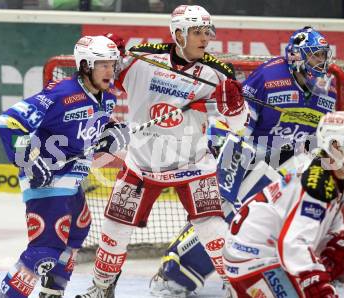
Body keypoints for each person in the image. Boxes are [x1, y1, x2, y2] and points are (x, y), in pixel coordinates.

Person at [149, 26, 338, 297]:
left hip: (288, 167)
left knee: (285, 217)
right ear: (296, 56)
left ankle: (265, 273)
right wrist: (230, 165)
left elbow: (321, 139)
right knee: (228, 213)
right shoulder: (269, 76)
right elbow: (235, 125)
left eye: (323, 55)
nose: (321, 62)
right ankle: (176, 272)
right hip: (251, 157)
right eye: (315, 56)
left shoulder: (327, 90)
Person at [76, 4, 248, 298]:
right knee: (114, 231)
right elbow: (102, 80)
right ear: (178, 33)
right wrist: (112, 57)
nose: (204, 38)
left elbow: (238, 124)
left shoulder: (218, 72)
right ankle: (101, 288)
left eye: (207, 31)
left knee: (214, 233)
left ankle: (238, 288)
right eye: (196, 32)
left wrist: (235, 106)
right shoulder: (142, 59)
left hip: (193, 165)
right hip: (141, 165)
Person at [0, 35, 130, 298]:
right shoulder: (62, 94)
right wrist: (30, 160)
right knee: (44, 252)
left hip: (71, 179)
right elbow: (7, 122)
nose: (109, 70)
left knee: (79, 229)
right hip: (47, 181)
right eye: (102, 64)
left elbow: (95, 130)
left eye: (112, 64)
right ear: (85, 66)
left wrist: (112, 133)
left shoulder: (107, 98)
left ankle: (51, 292)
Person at [222, 111, 344, 297]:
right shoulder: (317, 184)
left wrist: (335, 240)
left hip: (257, 252)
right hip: (252, 258)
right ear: (335, 145)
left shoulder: (331, 176)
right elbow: (294, 244)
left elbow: (321, 230)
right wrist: (314, 279)